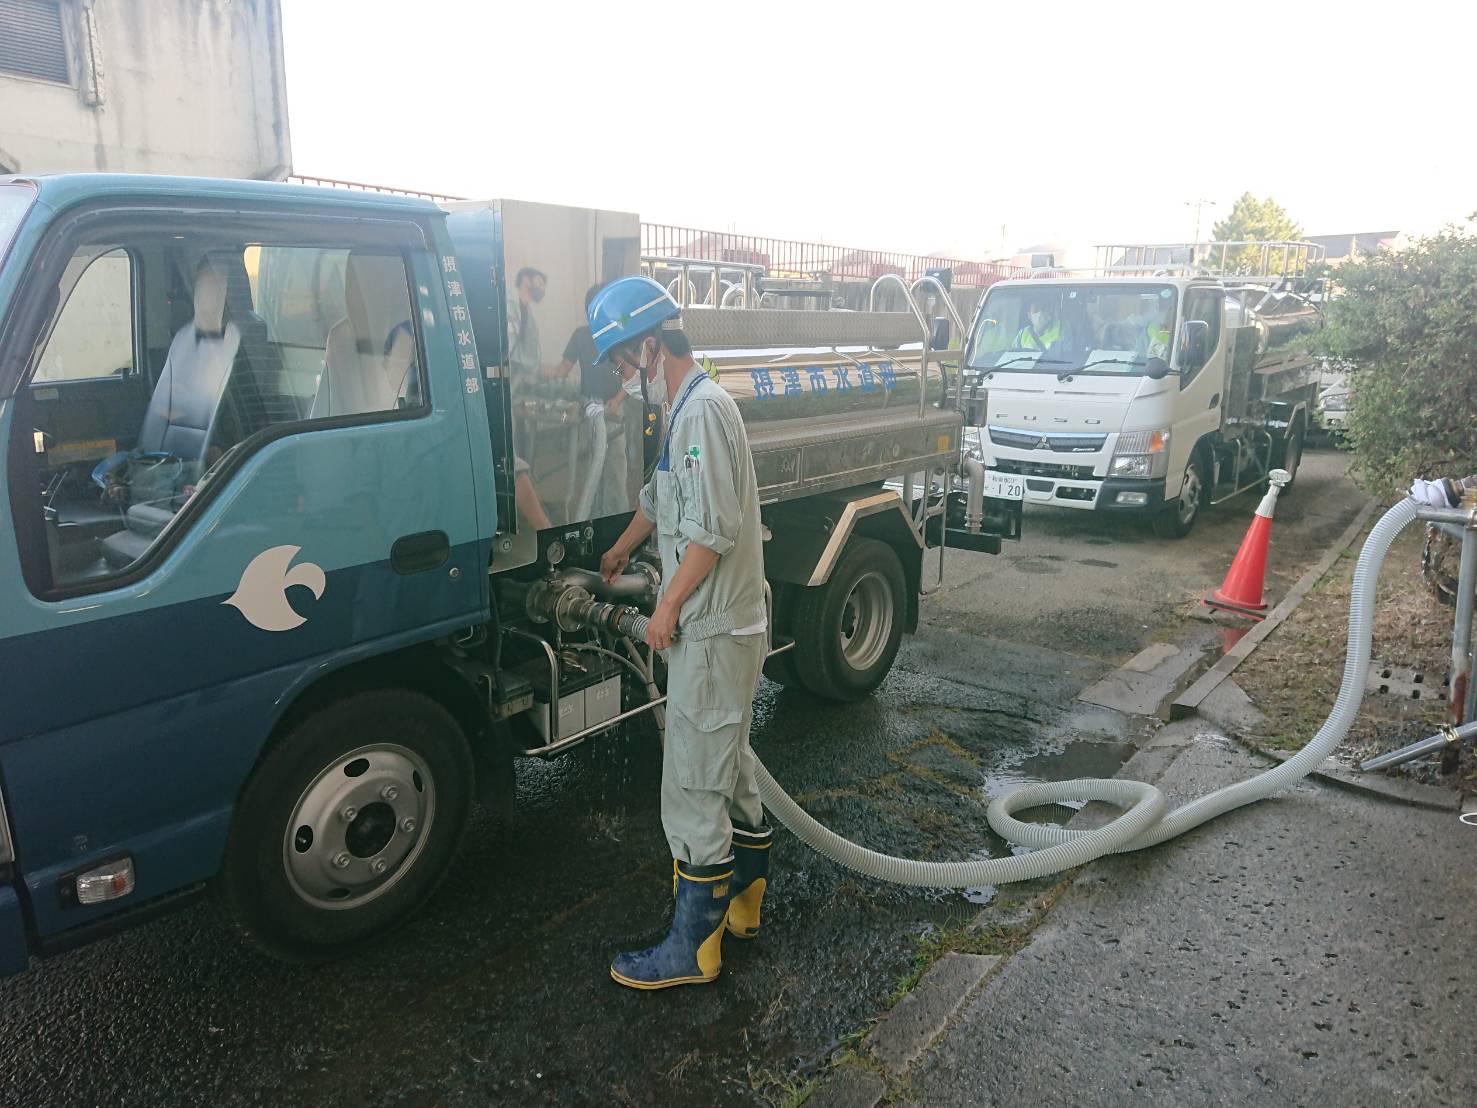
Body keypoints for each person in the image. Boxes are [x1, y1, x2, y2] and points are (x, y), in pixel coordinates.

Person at [591, 275, 774, 991]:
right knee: (729, 766)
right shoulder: (690, 407)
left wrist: (663, 610)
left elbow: (710, 534)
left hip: (711, 628)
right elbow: (661, 497)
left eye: (617, 361)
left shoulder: (698, 412)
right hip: (729, 624)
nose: (618, 376)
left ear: (647, 345)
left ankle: (691, 950)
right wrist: (620, 545)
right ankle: (743, 911)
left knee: (695, 781)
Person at [507, 266, 547, 379]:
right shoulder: (506, 304)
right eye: (539, 283)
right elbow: (507, 346)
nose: (542, 289)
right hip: (504, 372)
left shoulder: (529, 315)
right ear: (525, 280)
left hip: (518, 376)